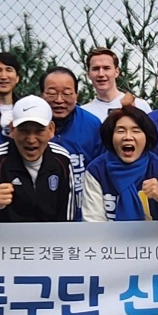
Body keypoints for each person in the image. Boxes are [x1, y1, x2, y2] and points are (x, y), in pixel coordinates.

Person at [83, 106, 158, 222]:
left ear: (147, 137)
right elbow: (93, 222)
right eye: (120, 131)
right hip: (110, 234)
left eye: (136, 131)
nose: (128, 137)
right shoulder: (97, 170)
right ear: (110, 137)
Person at [0, 96, 76, 222]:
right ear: (12, 129)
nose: (31, 140)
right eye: (24, 131)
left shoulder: (62, 159)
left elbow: (68, 217)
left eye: (39, 131)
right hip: (6, 235)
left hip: (51, 234)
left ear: (51, 130)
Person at [40, 67, 102, 213]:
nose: (59, 100)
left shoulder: (92, 125)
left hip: (83, 211)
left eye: (67, 93)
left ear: (76, 95)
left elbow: (101, 171)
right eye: (52, 93)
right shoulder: (31, 126)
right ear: (41, 95)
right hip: (41, 213)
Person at [82, 47, 151, 121]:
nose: (101, 74)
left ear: (117, 72)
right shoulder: (83, 113)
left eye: (106, 68)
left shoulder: (140, 105)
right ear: (88, 74)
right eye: (95, 69)